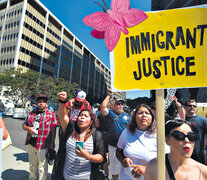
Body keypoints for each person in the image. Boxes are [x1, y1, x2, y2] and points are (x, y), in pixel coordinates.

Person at [52, 91, 105, 180]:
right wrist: (62, 101)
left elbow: (101, 157)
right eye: (80, 115)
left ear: (91, 121)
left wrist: (87, 156)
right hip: (66, 176)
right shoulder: (71, 129)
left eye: (85, 116)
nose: (82, 117)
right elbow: (62, 116)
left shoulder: (96, 136)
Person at [116, 104, 169, 180]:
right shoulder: (127, 132)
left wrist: (147, 169)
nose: (144, 115)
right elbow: (118, 151)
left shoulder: (160, 135)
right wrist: (123, 160)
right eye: (140, 113)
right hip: (126, 177)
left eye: (147, 113)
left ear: (152, 117)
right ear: (134, 117)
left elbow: (168, 160)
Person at [22, 95, 59, 180]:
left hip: (43, 145)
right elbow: (24, 124)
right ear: (37, 103)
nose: (41, 103)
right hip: (31, 143)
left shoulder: (51, 114)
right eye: (39, 102)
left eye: (43, 102)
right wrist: (28, 128)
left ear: (46, 103)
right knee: (32, 165)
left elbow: (53, 130)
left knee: (42, 168)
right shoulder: (31, 113)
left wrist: (52, 145)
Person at [100, 89, 130, 180]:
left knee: (127, 168)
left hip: (125, 147)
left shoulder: (127, 116)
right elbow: (103, 107)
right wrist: (108, 95)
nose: (120, 105)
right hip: (114, 146)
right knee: (114, 169)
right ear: (113, 105)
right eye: (118, 104)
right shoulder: (111, 113)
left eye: (122, 104)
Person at [184, 99, 207, 164]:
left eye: (194, 106)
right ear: (185, 107)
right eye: (189, 105)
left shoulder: (202, 120)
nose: (192, 107)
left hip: (198, 152)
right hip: (184, 151)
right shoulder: (182, 119)